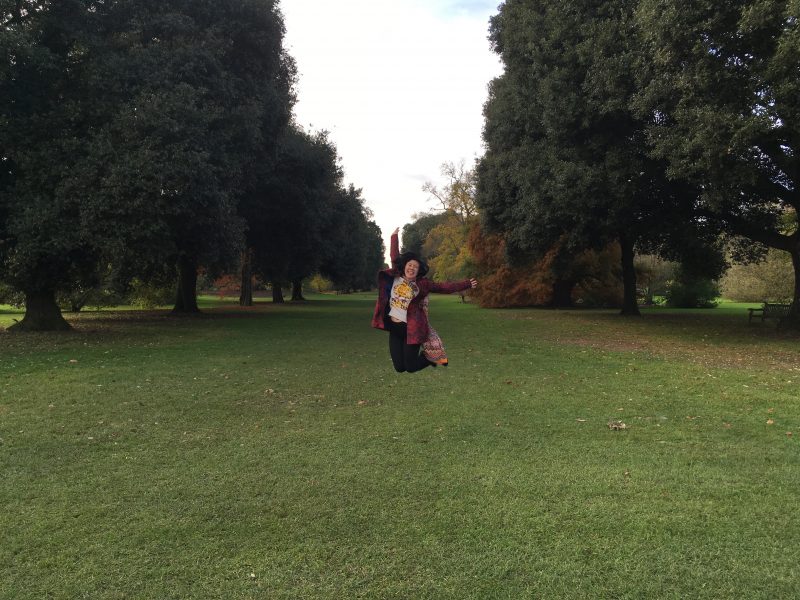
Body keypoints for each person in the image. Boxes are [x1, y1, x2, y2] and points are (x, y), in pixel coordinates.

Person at [371, 227, 478, 373]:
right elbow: (394, 255)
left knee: (411, 367)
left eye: (415, 267)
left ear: (418, 270)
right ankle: (428, 357)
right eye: (410, 265)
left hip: (413, 329)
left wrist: (466, 284)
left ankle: (430, 357)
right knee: (399, 368)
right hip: (394, 329)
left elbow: (444, 287)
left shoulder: (423, 284)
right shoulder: (396, 276)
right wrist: (394, 236)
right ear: (404, 266)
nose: (412, 268)